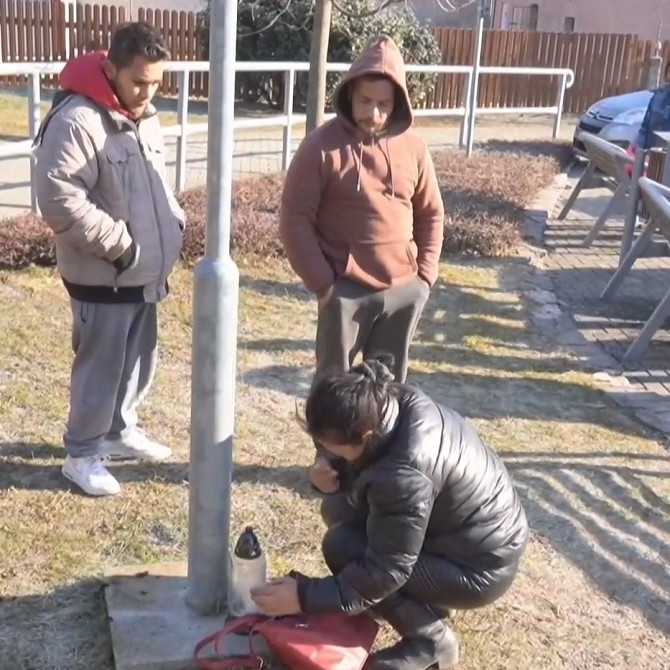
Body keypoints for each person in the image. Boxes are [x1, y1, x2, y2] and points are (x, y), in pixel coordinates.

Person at [251, 359, 529, 670]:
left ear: (365, 433)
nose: (326, 452)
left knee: (343, 546)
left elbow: (384, 571)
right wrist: (331, 471)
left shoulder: (404, 475)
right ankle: (416, 605)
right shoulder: (389, 402)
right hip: (466, 534)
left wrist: (305, 597)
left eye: (334, 448)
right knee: (337, 507)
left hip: (477, 567)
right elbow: (372, 466)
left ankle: (432, 641)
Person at [34, 22, 185, 497]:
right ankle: (81, 454)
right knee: (101, 364)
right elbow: (59, 197)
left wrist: (172, 226)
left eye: (156, 82)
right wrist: (122, 247)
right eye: (138, 81)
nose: (147, 92)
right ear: (112, 68)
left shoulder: (146, 117)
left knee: (138, 358)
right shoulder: (78, 119)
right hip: (106, 272)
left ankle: (119, 430)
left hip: (143, 272)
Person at [279, 36, 444, 386]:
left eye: (384, 103)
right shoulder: (320, 147)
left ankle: (382, 444)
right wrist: (323, 284)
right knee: (333, 390)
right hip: (343, 291)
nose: (374, 113)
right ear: (350, 94)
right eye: (366, 101)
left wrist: (424, 277)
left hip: (403, 288)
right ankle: (330, 445)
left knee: (387, 393)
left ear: (398, 103)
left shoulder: (414, 147)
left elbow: (431, 212)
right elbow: (294, 218)